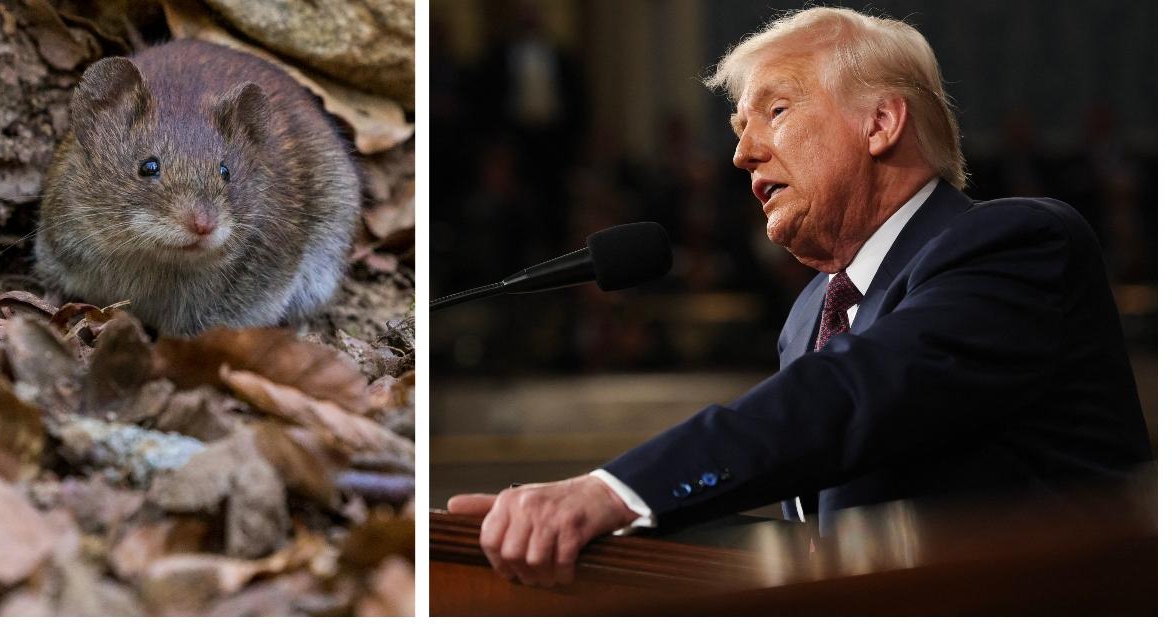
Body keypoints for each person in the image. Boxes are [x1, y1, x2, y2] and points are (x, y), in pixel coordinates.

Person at [447, 6, 1152, 588]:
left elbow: (850, 395)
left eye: (775, 111)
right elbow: (828, 539)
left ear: (881, 123)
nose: (742, 154)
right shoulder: (806, 316)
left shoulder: (1017, 244)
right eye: (737, 130)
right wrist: (614, 526)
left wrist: (610, 492)